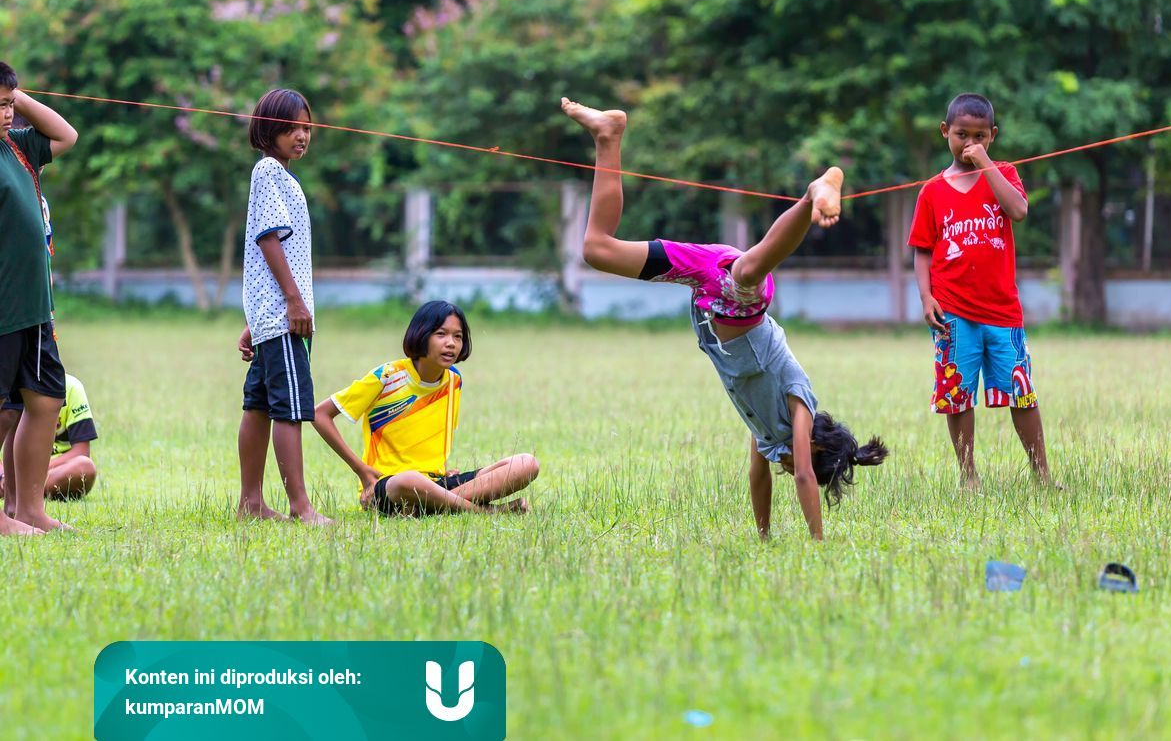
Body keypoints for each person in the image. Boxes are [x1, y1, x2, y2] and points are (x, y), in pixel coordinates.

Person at [560, 98, 887, 541]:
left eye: (788, 469)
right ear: (816, 446)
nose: (790, 470)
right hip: (738, 299)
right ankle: (817, 190)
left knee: (596, 250)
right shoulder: (800, 411)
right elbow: (808, 477)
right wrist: (818, 542)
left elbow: (758, 477)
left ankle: (607, 136)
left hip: (706, 290)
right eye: (797, 463)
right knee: (750, 270)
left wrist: (765, 537)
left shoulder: (769, 433)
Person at [908, 92, 1052, 490]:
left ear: (992, 136)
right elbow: (922, 250)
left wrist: (987, 165)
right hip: (952, 313)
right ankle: (968, 476)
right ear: (944, 132)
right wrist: (926, 297)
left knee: (1021, 392)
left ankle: (1042, 474)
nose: (969, 142)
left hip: (1003, 312)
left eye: (979, 136)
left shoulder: (1003, 172)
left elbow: (1019, 211)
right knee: (958, 396)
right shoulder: (932, 192)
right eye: (961, 134)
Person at [311, 300, 539, 516]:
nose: (451, 343)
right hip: (390, 485)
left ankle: (428, 506)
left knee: (526, 464)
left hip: (436, 483)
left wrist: (442, 469)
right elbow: (320, 415)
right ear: (421, 335)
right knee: (408, 480)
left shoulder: (454, 380)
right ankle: (485, 512)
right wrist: (361, 470)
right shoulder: (387, 376)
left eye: (457, 336)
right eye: (441, 334)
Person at [235, 88, 330, 524]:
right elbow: (269, 237)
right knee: (291, 408)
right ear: (269, 130)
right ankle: (301, 507)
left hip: (268, 317)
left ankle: (251, 504)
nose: (302, 135)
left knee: (257, 406)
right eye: (292, 127)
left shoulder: (277, 175)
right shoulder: (270, 170)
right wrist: (293, 301)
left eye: (307, 128)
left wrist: (254, 320)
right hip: (283, 317)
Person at [0, 62, 78, 534]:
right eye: (0, 107)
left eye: (8, 105)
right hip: (3, 306)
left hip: (33, 306)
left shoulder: (18, 146)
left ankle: (29, 509)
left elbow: (66, 135)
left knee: (46, 400)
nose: (7, 114)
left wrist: (17, 95)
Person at [0, 374, 99, 511]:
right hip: (10, 470)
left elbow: (81, 451)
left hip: (55, 470)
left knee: (85, 467)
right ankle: (19, 487)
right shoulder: (12, 382)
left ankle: (22, 489)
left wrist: (37, 470)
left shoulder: (72, 387)